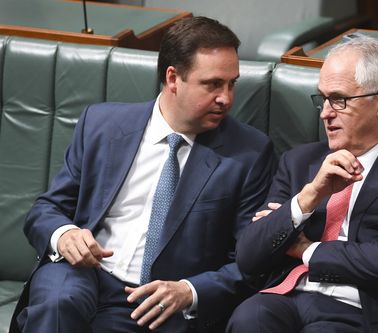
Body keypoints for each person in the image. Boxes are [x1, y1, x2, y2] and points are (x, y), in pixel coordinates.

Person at [10, 16, 276, 333]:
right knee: (57, 304)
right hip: (81, 271)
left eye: (232, 84)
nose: (226, 98)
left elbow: (249, 261)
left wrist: (190, 291)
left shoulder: (249, 154)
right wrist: (64, 234)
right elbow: (45, 209)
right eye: (213, 84)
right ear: (173, 78)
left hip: (154, 299)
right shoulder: (102, 125)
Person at [226, 36, 378, 333]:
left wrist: (304, 249)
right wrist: (311, 195)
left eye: (339, 100)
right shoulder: (299, 162)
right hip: (288, 296)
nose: (325, 113)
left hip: (363, 310)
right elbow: (249, 255)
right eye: (322, 99)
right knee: (249, 318)